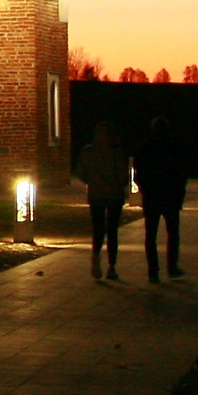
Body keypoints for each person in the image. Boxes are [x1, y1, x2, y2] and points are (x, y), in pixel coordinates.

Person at [74, 120, 132, 281]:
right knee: (112, 230)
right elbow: (122, 176)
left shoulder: (88, 151)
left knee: (98, 228)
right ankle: (111, 266)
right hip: (114, 194)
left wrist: (92, 181)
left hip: (96, 193)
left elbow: (80, 172)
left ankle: (96, 256)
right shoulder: (116, 152)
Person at [134, 116, 188, 282]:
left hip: (152, 197)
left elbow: (138, 175)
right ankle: (171, 267)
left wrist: (145, 190)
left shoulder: (144, 148)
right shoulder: (173, 148)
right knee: (173, 233)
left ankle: (153, 271)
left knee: (150, 235)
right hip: (170, 196)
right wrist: (179, 193)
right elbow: (181, 174)